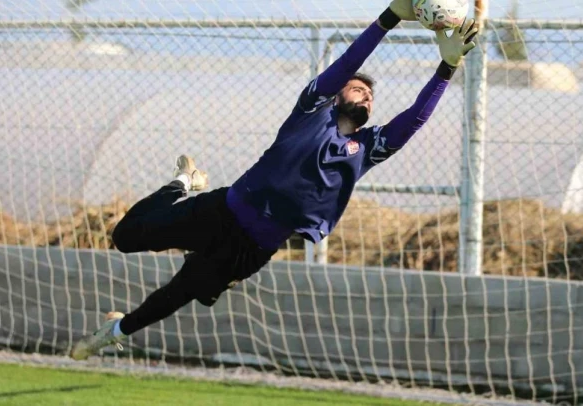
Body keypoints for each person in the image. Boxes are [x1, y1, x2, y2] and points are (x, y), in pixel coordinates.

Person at [70, 0, 478, 360]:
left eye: (370, 96)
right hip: (221, 212)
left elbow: (414, 119)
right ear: (337, 95)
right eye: (357, 89)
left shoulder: (367, 149)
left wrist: (447, 67)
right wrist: (389, 17)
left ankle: (115, 331)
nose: (366, 95)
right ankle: (182, 183)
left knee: (184, 293)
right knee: (125, 237)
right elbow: (346, 64)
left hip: (254, 248)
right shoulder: (311, 112)